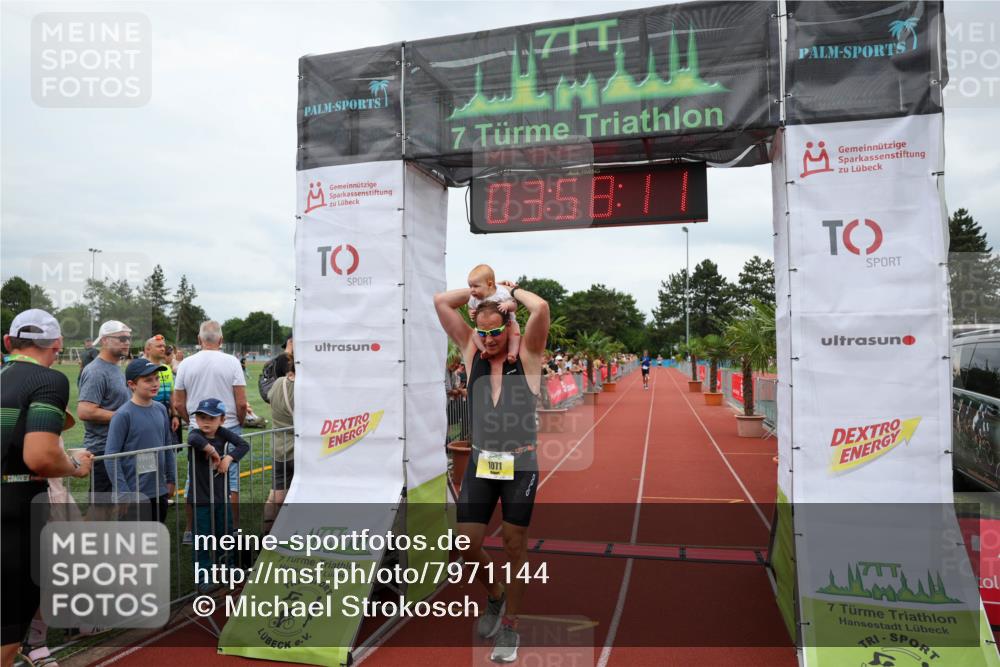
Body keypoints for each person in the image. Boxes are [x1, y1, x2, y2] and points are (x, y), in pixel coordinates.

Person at [434, 280, 549, 663]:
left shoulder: (528, 355)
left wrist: (511, 295)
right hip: (483, 462)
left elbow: (542, 309)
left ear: (507, 328)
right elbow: (441, 302)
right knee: (466, 543)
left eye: (495, 332)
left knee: (515, 544)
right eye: (482, 333)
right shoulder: (472, 354)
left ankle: (511, 627)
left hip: (521, 462)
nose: (488, 340)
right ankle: (496, 595)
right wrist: (480, 295)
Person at [2, 309, 94, 667]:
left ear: (10, 343)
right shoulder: (48, 380)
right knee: (7, 639)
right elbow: (40, 456)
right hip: (16, 515)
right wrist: (75, 467)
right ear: (57, 345)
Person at [173, 320, 248, 542]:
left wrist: (194, 421)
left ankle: (190, 530)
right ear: (221, 340)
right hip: (229, 427)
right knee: (230, 480)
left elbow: (178, 403)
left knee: (193, 479)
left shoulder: (186, 363)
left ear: (199, 340)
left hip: (198, 430)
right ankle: (232, 529)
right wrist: (239, 423)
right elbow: (242, 402)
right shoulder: (232, 362)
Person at [186, 398, 249, 593]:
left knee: (225, 533)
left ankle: (227, 567)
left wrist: (229, 458)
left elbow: (243, 445)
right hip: (200, 498)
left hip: (221, 496)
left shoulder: (223, 433)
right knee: (202, 538)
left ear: (222, 420)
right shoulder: (197, 434)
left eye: (211, 418)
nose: (206, 422)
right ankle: (203, 576)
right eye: (201, 417)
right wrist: (212, 450)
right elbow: (192, 439)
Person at [104, 359, 177, 522]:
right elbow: (111, 457)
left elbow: (167, 446)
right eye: (148, 380)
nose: (155, 384)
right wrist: (123, 492)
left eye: (157, 378)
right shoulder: (123, 415)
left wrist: (171, 478)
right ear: (132, 384)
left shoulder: (161, 409)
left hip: (159, 491)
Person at [77, 321, 132, 495]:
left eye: (129, 338)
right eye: (122, 338)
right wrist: (124, 417)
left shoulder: (115, 367)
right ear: (105, 341)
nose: (127, 342)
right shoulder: (96, 371)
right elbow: (85, 410)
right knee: (102, 510)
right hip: (103, 450)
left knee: (118, 506)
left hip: (118, 446)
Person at [467, 265, 521, 364]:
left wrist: (507, 305)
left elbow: (514, 305)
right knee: (474, 334)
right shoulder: (474, 298)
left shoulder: (501, 292)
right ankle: (484, 350)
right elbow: (470, 308)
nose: (471, 290)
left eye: (476, 286)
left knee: (515, 334)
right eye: (470, 286)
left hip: (509, 323)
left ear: (490, 284)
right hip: (485, 329)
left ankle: (512, 353)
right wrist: (471, 313)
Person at [263, 368, 294, 534]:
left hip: (279, 448)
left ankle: (266, 534)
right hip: (299, 450)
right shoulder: (305, 388)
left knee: (275, 496)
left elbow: (267, 396)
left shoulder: (278, 383)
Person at [144, 336, 180, 441]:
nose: (163, 349)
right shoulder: (142, 368)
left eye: (163, 346)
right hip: (148, 417)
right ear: (148, 349)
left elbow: (171, 393)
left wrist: (174, 415)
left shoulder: (167, 368)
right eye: (159, 346)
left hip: (166, 416)